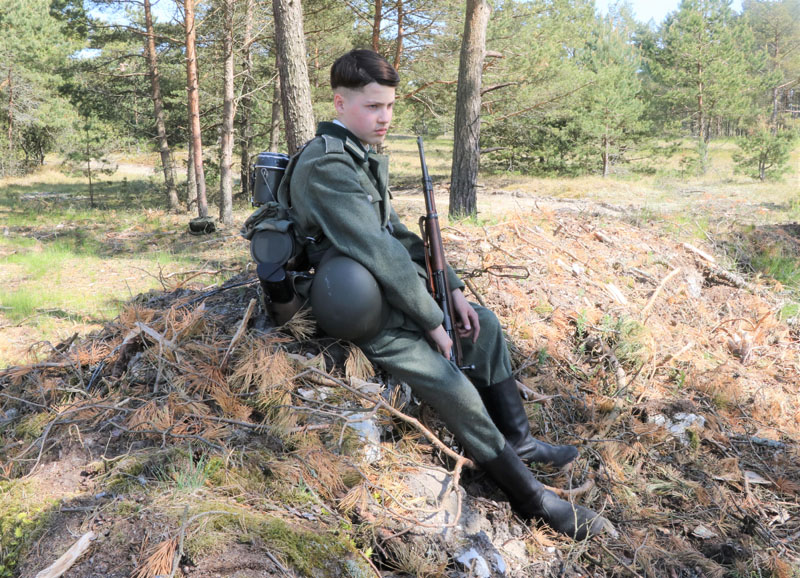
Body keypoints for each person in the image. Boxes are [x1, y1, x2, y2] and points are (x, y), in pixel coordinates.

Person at [278, 48, 607, 540]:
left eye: (389, 106)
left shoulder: (357, 154)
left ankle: (518, 442)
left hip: (381, 287)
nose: (384, 117)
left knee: (485, 325)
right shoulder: (328, 165)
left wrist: (449, 289)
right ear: (339, 104)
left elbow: (395, 235)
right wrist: (431, 320)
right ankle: (534, 500)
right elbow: (376, 250)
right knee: (452, 386)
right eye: (372, 106)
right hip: (356, 303)